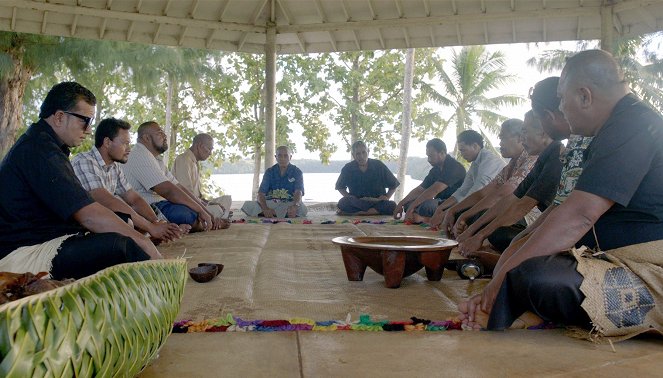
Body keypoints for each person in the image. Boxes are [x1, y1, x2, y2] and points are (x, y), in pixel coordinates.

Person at [459, 50, 663, 337]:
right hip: (613, 260)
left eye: (562, 98)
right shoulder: (618, 126)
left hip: (646, 269)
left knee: (535, 277)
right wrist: (506, 268)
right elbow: (565, 210)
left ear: (583, 96)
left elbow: (578, 216)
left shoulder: (634, 126)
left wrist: (500, 281)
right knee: (526, 270)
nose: (561, 107)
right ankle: (504, 306)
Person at [0, 82, 161, 280]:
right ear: (59, 117)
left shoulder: (46, 144)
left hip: (46, 238)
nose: (89, 130)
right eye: (85, 121)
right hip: (23, 254)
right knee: (122, 246)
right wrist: (144, 242)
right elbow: (88, 215)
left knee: (123, 222)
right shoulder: (39, 149)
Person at [455, 110, 563, 255]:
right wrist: (473, 230)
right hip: (543, 225)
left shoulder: (556, 156)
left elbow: (522, 205)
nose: (522, 138)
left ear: (543, 133)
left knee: (499, 235)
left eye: (524, 132)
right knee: (487, 225)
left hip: (556, 230)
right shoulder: (543, 158)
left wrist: (479, 235)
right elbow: (513, 199)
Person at [430, 119, 537, 235]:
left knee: (486, 222)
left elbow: (499, 195)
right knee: (469, 214)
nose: (500, 143)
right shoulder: (511, 164)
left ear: (519, 138)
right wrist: (452, 210)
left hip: (526, 221)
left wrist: (464, 216)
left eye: (502, 138)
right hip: (505, 212)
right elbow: (482, 192)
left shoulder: (531, 159)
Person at [123, 121, 219, 232]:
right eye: (160, 133)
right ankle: (201, 225)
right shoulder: (139, 155)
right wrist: (201, 211)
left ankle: (195, 224)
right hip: (149, 207)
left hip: (162, 205)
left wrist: (203, 210)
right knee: (187, 214)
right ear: (147, 138)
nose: (164, 136)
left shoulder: (156, 159)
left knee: (194, 211)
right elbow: (168, 191)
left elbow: (178, 187)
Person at [422, 130, 505, 224]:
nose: (461, 154)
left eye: (463, 150)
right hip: (481, 203)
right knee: (450, 211)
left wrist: (450, 211)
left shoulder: (490, 160)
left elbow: (478, 191)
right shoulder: (475, 164)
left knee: (457, 214)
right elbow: (462, 190)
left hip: (496, 206)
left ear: (475, 146)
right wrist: (441, 209)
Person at [393, 138, 465, 223]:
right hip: (438, 203)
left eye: (431, 156)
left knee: (425, 206)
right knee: (408, 204)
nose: (428, 160)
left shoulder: (454, 167)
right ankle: (419, 217)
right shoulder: (435, 170)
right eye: (428, 156)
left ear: (442, 153)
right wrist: (401, 203)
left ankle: (424, 219)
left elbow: (434, 190)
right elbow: (420, 189)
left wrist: (412, 207)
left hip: (453, 204)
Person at [172, 133, 232, 219]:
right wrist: (206, 206)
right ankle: (219, 217)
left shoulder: (195, 162)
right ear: (199, 145)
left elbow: (198, 196)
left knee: (226, 199)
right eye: (209, 149)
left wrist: (208, 203)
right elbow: (186, 193)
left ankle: (220, 215)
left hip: (197, 203)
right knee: (217, 209)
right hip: (186, 206)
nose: (210, 153)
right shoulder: (183, 159)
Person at [335, 141, 400, 215]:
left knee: (392, 205)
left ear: (368, 151)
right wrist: (349, 197)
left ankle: (362, 213)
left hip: (377, 201)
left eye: (364, 152)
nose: (361, 156)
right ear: (353, 155)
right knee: (343, 203)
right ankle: (373, 212)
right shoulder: (348, 168)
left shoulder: (378, 165)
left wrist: (386, 196)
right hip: (358, 202)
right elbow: (340, 187)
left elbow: (393, 184)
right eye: (358, 154)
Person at [241, 146, 307, 218]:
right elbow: (261, 194)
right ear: (276, 157)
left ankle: (273, 214)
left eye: (285, 156)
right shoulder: (269, 172)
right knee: (248, 205)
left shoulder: (297, 172)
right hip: (271, 203)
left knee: (302, 209)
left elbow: (299, 192)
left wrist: (295, 206)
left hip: (289, 203)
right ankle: (279, 214)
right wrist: (265, 208)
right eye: (280, 156)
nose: (282, 158)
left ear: (290, 157)